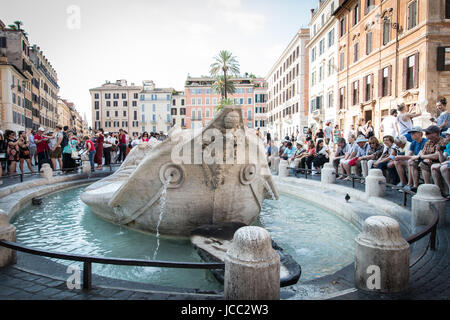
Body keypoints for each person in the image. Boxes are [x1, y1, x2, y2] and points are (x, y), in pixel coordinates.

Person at [408, 125, 446, 192]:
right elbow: (422, 153)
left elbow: (436, 156)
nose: (425, 134)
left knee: (424, 164)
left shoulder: (442, 141)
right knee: (413, 163)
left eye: (428, 133)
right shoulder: (428, 142)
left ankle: (431, 187)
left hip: (439, 161)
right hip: (428, 160)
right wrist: (425, 157)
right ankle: (416, 186)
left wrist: (424, 157)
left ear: (436, 134)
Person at [431, 128, 450, 199]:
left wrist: (445, 162)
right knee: (433, 167)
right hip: (447, 163)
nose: (446, 136)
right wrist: (439, 151)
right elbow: (442, 160)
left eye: (447, 135)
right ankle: (438, 191)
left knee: (443, 168)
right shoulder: (448, 145)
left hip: (447, 164)